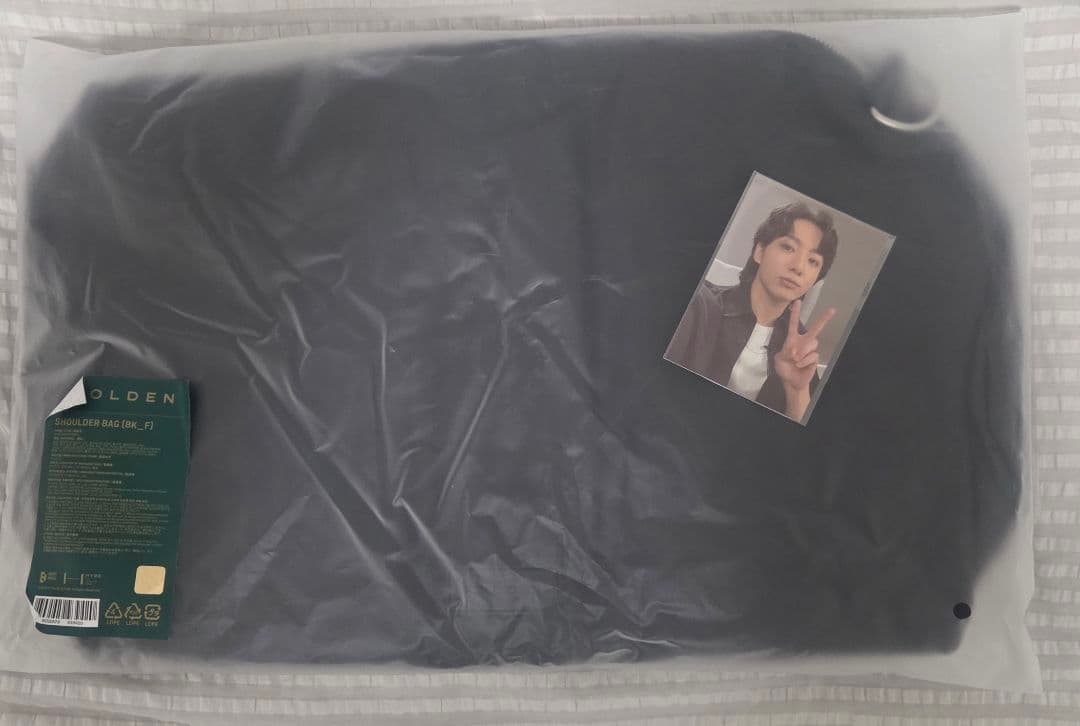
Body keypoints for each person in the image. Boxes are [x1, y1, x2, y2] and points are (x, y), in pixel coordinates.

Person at [666, 202, 840, 422]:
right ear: (759, 251)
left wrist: (797, 392)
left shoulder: (801, 348)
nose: (798, 267)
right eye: (788, 247)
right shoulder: (700, 304)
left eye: (813, 261)